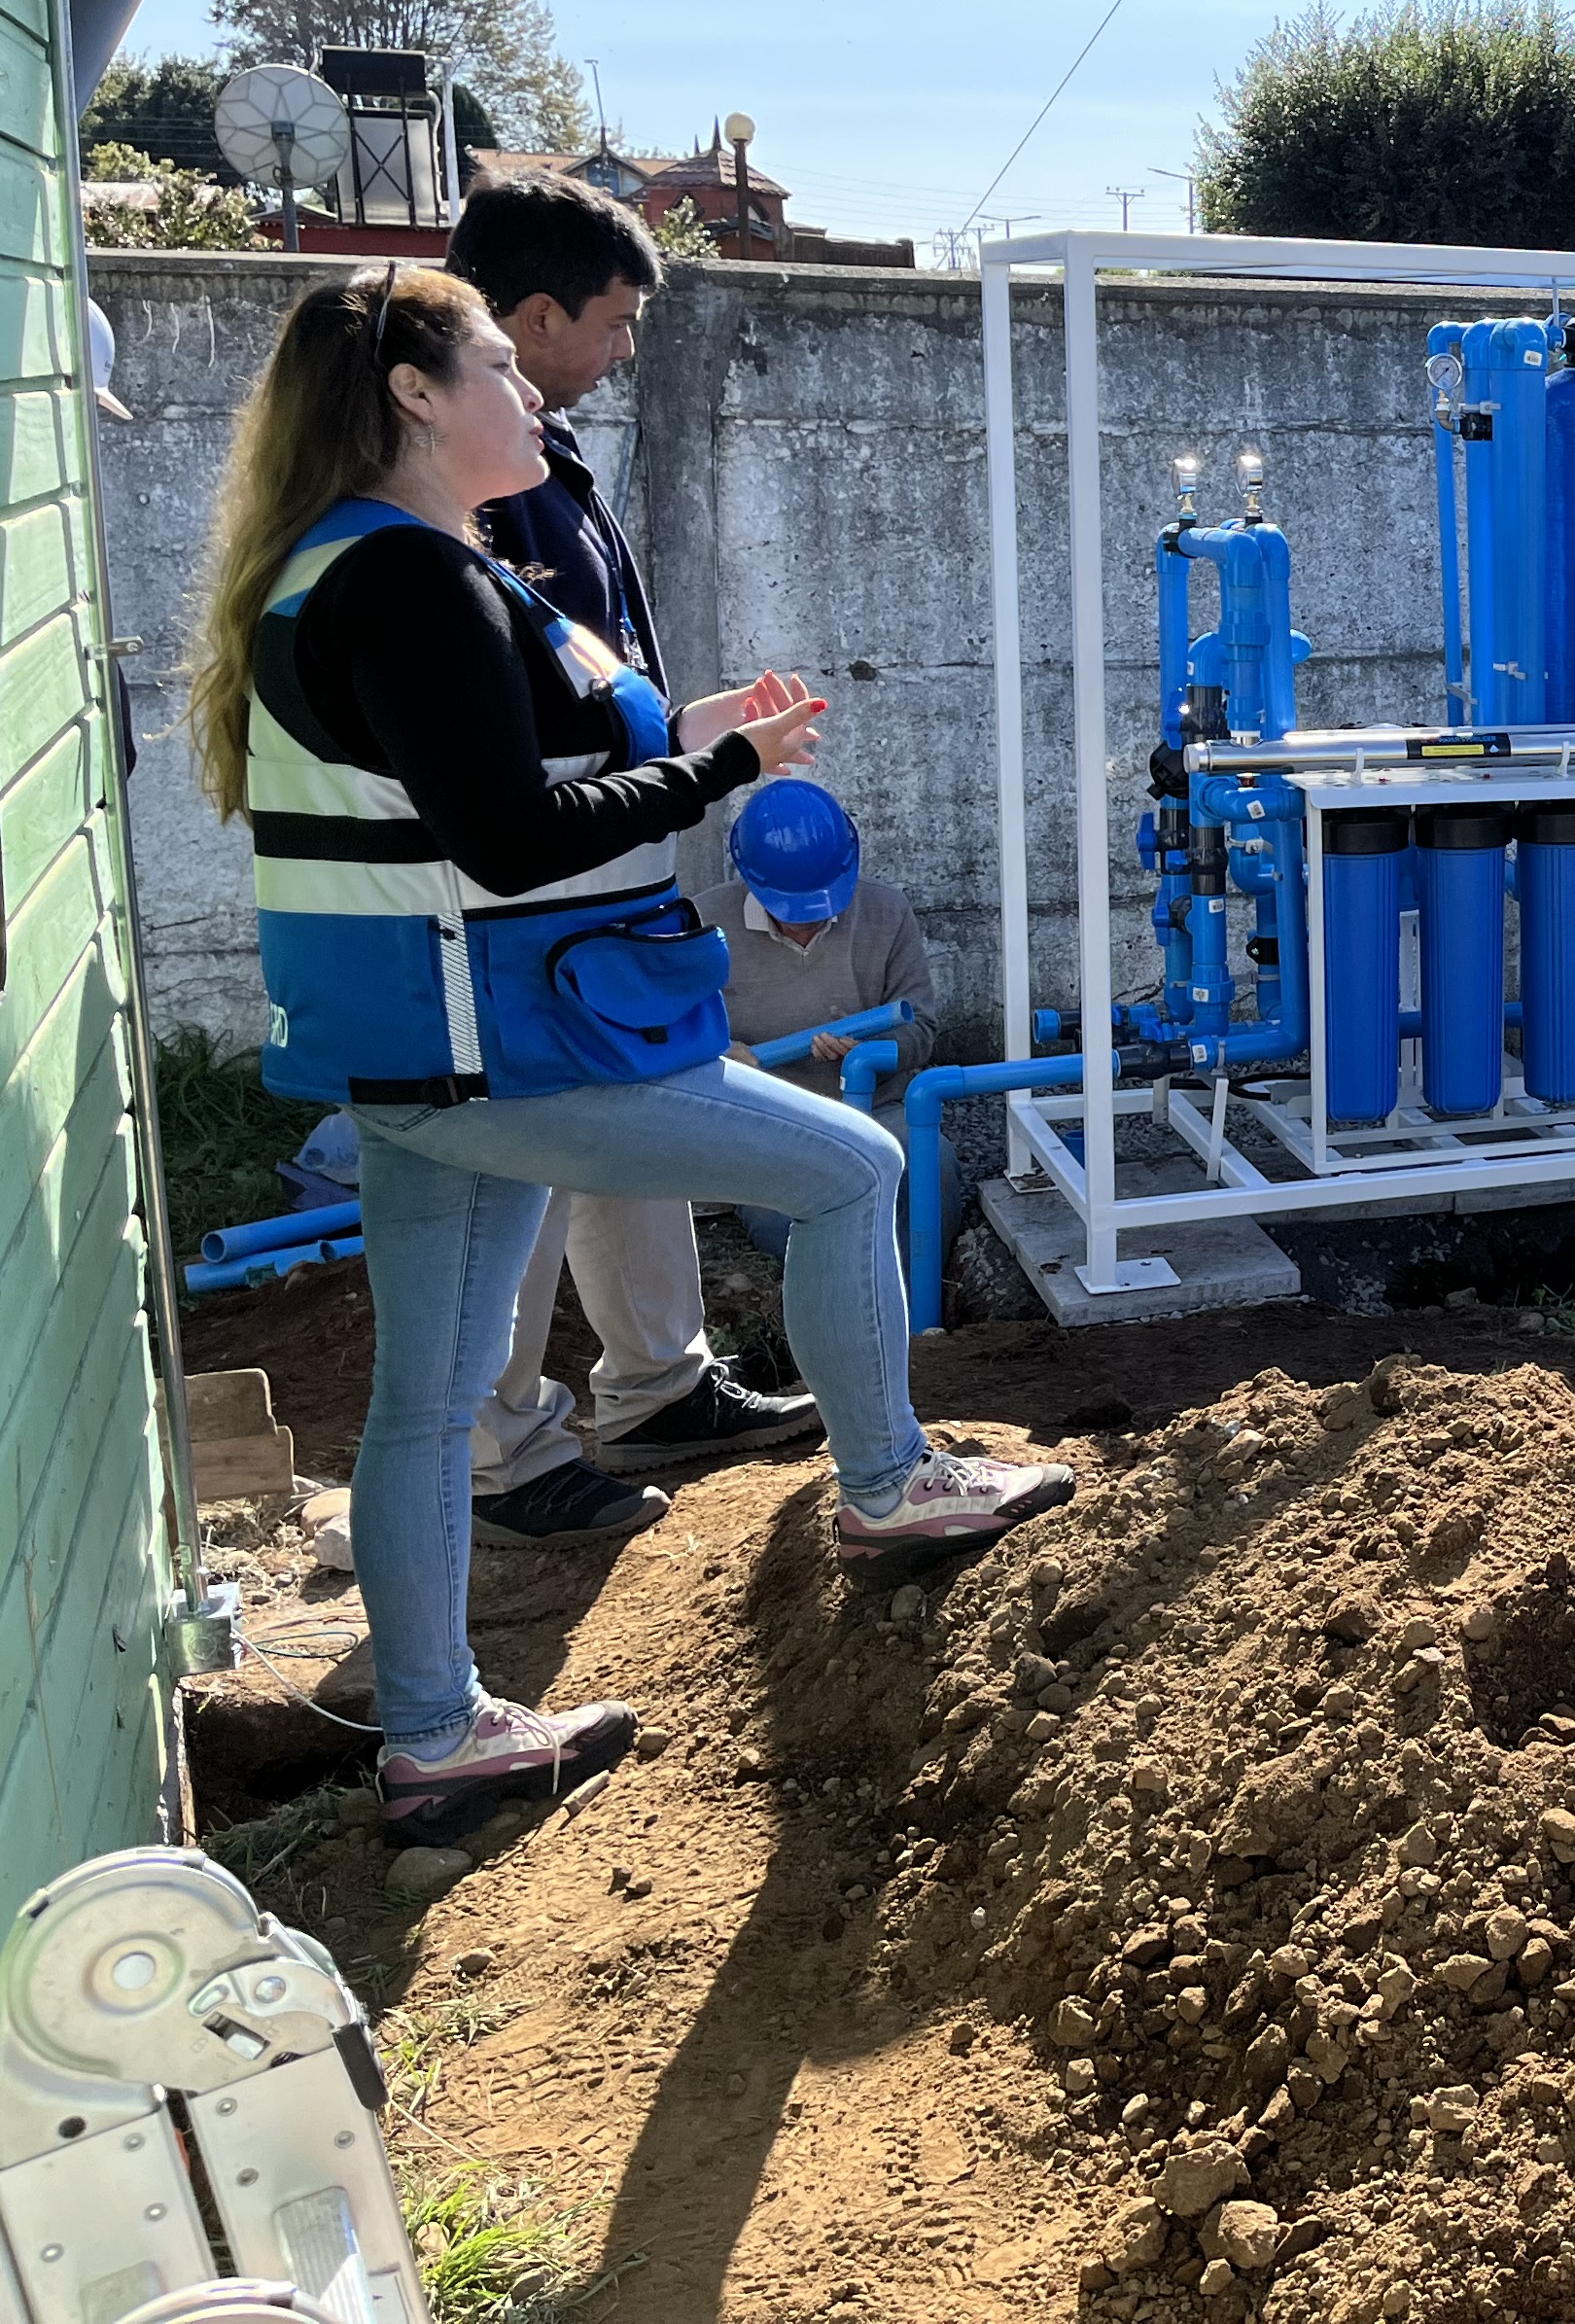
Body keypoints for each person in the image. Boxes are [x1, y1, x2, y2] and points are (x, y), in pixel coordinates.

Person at [187, 265, 1073, 1843]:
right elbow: (514, 834)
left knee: (423, 1400)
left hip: (414, 1050)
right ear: (411, 393)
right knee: (853, 1165)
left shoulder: (351, 569)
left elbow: (488, 763)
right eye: (496, 373)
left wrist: (688, 725)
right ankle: (889, 1482)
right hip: (512, 1037)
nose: (531, 396)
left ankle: (435, 1732)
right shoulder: (416, 579)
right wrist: (719, 765)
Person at [445, 176, 821, 1545]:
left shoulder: (545, 460)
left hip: (604, 879)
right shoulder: (462, 488)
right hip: (518, 894)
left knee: (629, 1117)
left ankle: (655, 1382)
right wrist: (702, 763)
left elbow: (587, 692)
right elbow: (503, 750)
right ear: (532, 316)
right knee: (531, 1151)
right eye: (611, 321)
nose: (624, 348)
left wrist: (693, 729)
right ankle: (500, 1449)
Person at [702, 778, 936, 1258]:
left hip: (878, 1110)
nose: (805, 917)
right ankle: (821, 1322)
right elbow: (670, 1028)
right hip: (765, 1118)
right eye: (789, 904)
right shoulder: (705, 923)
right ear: (749, 877)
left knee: (931, 1170)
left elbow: (922, 1027)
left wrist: (871, 1054)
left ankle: (917, 1319)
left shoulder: (886, 913)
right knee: (781, 1213)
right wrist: (719, 1056)